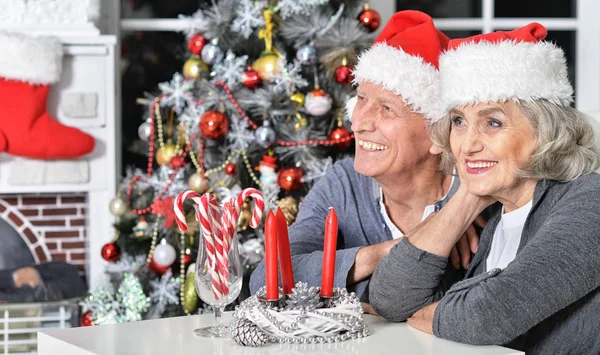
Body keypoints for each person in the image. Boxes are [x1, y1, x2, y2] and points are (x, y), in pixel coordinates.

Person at [369, 23, 600, 354]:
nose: (467, 145)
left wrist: (423, 314)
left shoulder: (590, 202)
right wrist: (467, 197)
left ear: (546, 131)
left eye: (493, 123)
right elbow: (390, 297)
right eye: (459, 122)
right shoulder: (491, 211)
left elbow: (486, 316)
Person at [249, 11, 479, 308]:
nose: (359, 123)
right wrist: (396, 250)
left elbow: (473, 315)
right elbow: (268, 278)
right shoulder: (344, 183)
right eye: (361, 99)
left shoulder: (477, 193)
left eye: (386, 109)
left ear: (438, 135)